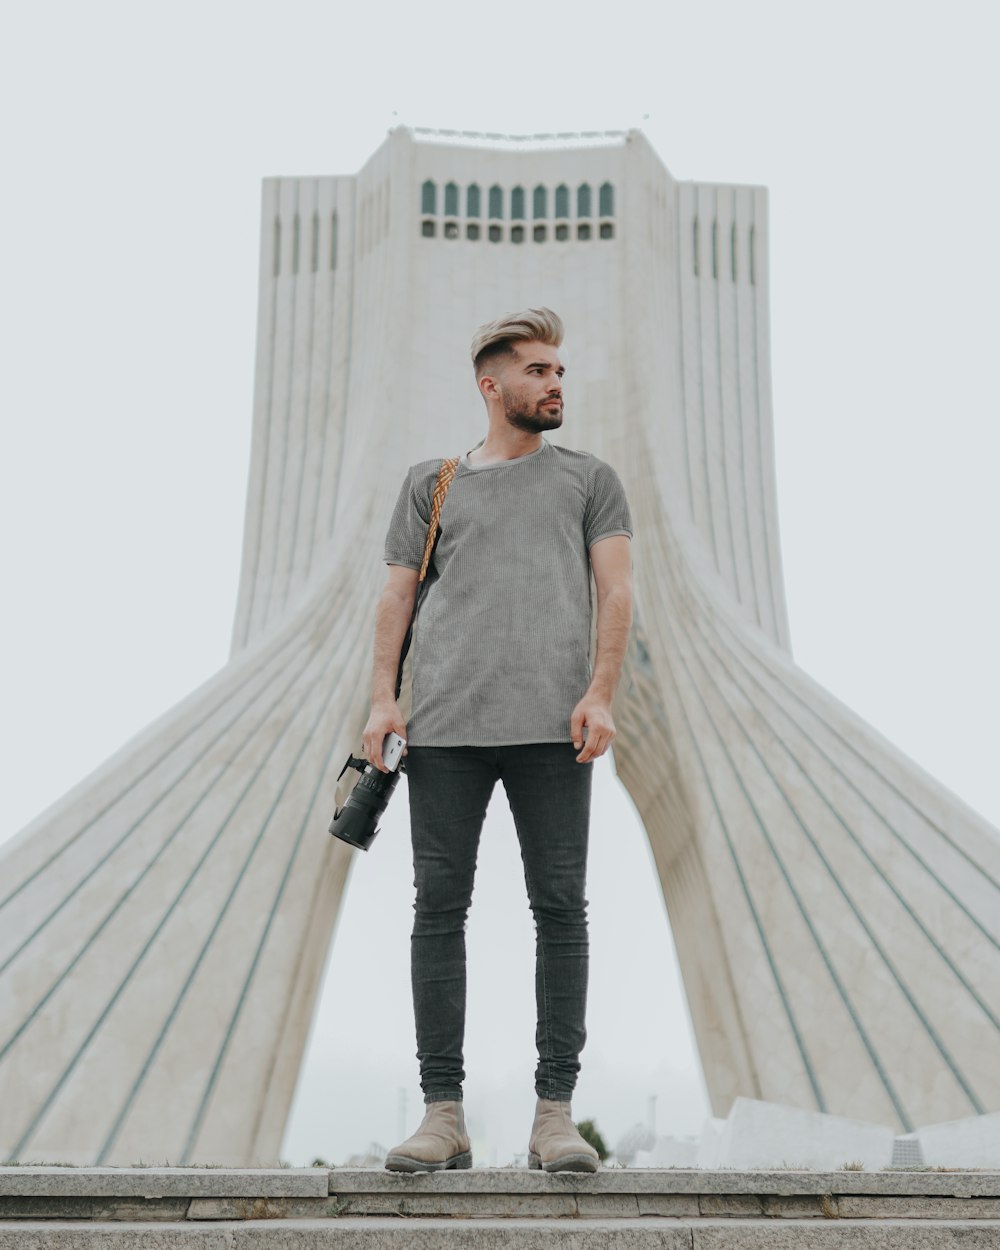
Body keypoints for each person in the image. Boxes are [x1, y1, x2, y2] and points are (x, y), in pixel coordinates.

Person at [362, 308, 633, 1173]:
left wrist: (601, 692)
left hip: (555, 730)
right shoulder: (432, 484)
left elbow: (617, 593)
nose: (557, 384)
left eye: (561, 371)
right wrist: (381, 703)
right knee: (437, 914)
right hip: (443, 732)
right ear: (493, 385)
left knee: (561, 911)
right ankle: (443, 1115)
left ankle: (554, 1117)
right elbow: (397, 599)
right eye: (540, 371)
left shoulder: (590, 480)